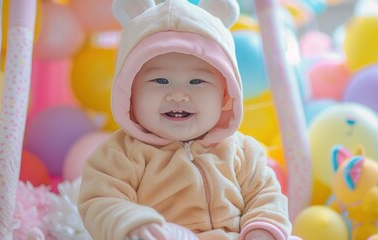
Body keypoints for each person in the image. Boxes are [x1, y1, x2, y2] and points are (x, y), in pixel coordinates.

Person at [77, 0, 293, 239]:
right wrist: (131, 223)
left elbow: (266, 196)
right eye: (160, 81)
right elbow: (100, 201)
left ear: (225, 94)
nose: (178, 95)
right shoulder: (119, 155)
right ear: (129, 92)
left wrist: (262, 229)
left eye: (196, 81)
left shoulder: (244, 152)